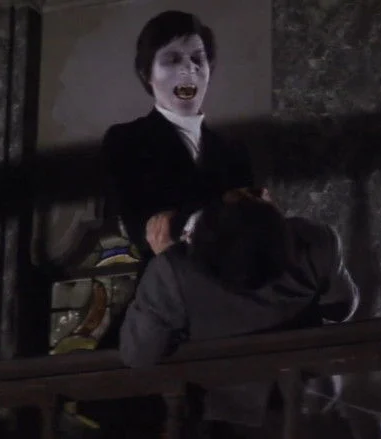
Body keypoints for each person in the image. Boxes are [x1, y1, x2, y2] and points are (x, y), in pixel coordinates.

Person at [120, 187, 360, 438]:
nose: (264, 193)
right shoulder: (314, 240)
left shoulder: (174, 272)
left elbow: (138, 353)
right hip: (311, 403)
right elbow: (341, 309)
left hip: (226, 419)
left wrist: (169, 263)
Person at [102, 10, 254, 266]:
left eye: (198, 58)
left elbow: (251, 228)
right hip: (166, 282)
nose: (189, 68)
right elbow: (141, 226)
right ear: (146, 73)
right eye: (172, 59)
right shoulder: (126, 139)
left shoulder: (233, 150)